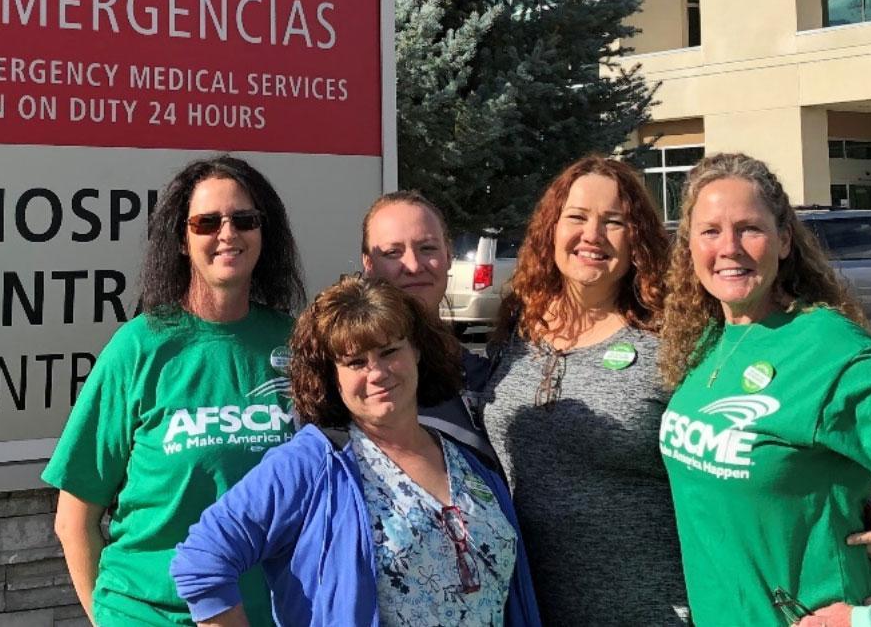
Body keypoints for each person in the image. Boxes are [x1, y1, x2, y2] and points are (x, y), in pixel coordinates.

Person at [479, 155, 871, 626]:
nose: (592, 236)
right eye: (577, 218)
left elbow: (765, 439)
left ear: (638, 237)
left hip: (658, 607)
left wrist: (870, 513)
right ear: (551, 229)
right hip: (530, 604)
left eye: (614, 222)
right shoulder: (518, 328)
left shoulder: (677, 336)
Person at [658, 153, 871, 627]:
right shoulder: (710, 338)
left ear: (782, 242)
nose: (729, 247)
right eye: (710, 231)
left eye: (749, 229)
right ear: (689, 246)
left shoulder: (829, 350)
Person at [170, 276, 543, 627]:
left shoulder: (470, 461)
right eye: (355, 362)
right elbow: (202, 560)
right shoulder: (313, 463)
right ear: (332, 376)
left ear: (416, 351)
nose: (377, 372)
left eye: (389, 351)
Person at [43, 155, 306, 626]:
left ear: (264, 234)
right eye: (207, 222)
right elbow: (74, 519)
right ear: (183, 240)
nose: (227, 234)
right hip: (152, 614)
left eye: (244, 220)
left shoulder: (297, 345)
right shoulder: (139, 347)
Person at [360, 190, 498, 466]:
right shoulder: (346, 375)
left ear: (448, 255)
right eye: (392, 253)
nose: (413, 265)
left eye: (427, 248)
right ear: (369, 265)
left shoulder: (484, 376)